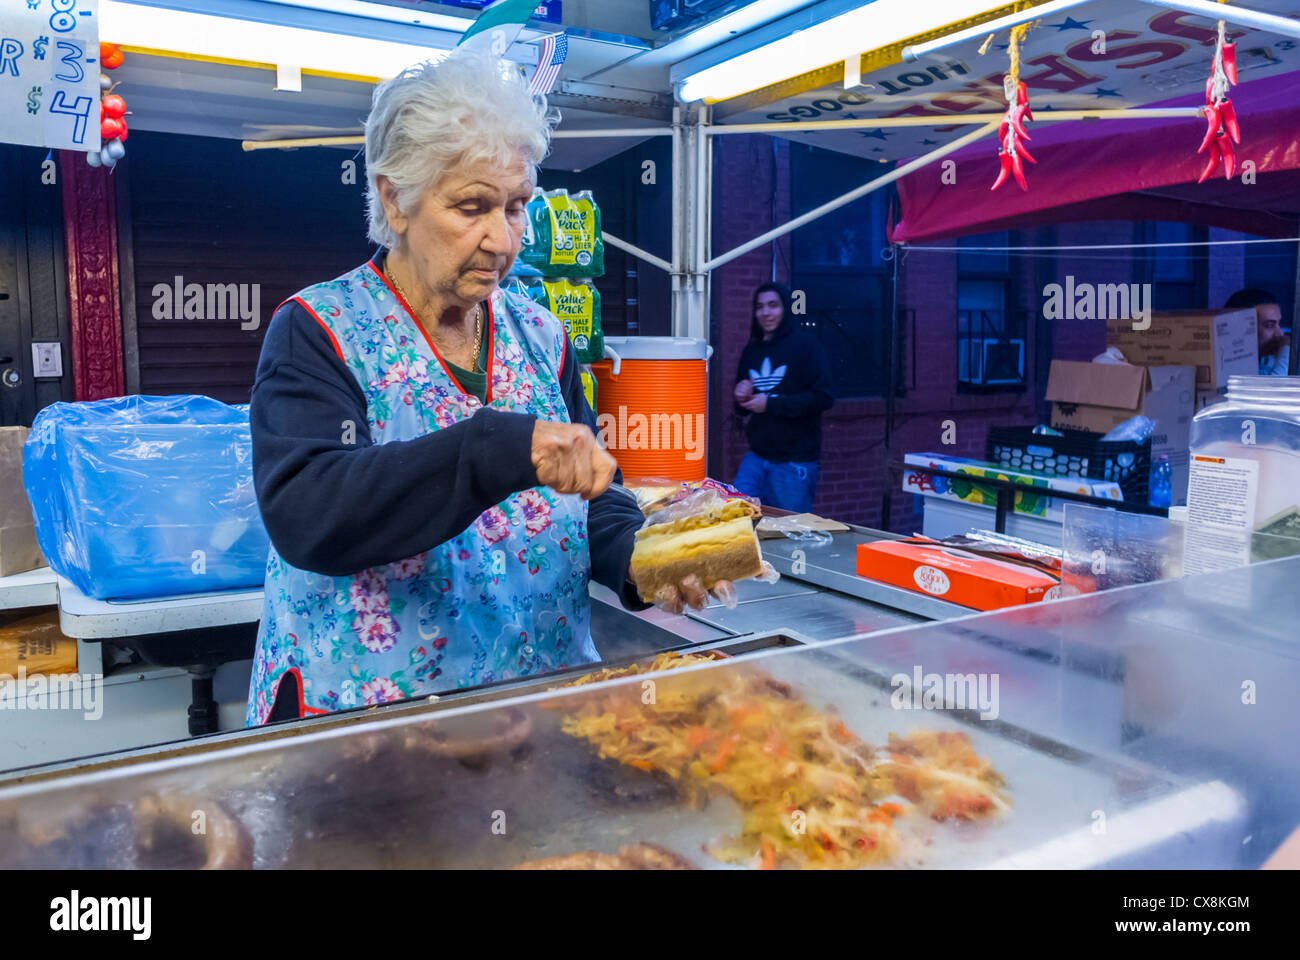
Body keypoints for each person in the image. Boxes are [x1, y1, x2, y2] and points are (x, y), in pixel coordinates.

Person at [245, 50, 731, 725]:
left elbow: (592, 498)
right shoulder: (320, 331)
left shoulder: (542, 337)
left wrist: (643, 558)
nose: (502, 240)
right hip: (372, 729)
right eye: (472, 207)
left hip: (534, 715)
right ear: (396, 199)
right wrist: (492, 449)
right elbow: (309, 512)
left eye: (516, 206)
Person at [732, 282, 834, 513]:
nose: (766, 312)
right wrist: (741, 397)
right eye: (759, 307)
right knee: (738, 516)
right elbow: (743, 408)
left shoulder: (806, 346)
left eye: (773, 305)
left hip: (793, 461)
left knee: (790, 532)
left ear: (785, 308)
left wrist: (770, 403)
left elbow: (824, 397)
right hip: (756, 456)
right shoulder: (752, 350)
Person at [1225, 287, 1290, 376]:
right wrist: (1285, 352)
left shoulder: (1271, 360)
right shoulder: (1225, 366)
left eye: (1279, 323)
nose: (1280, 334)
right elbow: (1271, 388)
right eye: (1269, 325)